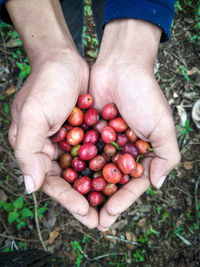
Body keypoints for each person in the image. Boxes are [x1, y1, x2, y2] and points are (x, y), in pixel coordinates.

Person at [0, 0, 180, 232]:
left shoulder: (104, 148)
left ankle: (70, 50)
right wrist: (50, 50)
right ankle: (67, 50)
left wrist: (130, 49)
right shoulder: (102, 149)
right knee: (67, 17)